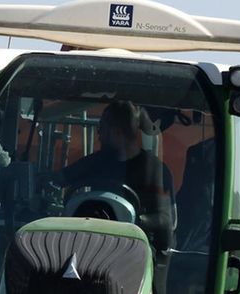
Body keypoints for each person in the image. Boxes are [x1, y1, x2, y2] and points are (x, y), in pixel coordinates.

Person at [57, 100, 175, 249]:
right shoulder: (95, 162)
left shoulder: (155, 171)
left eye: (102, 130)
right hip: (91, 245)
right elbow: (59, 179)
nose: (99, 135)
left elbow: (165, 220)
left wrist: (132, 219)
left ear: (117, 133)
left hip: (136, 250)